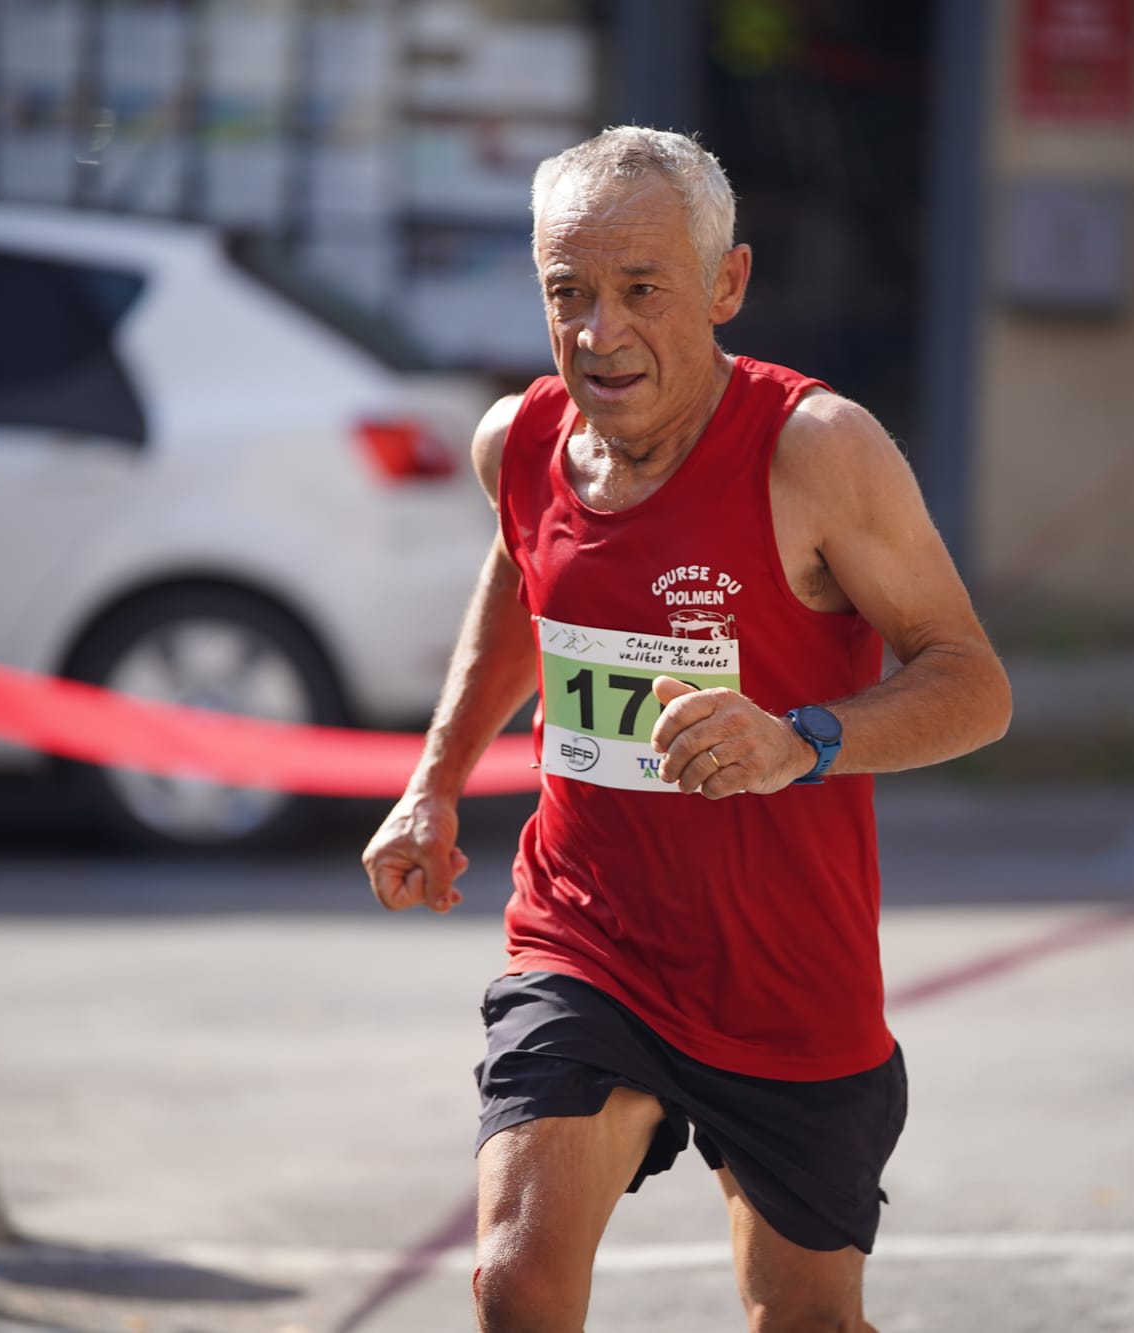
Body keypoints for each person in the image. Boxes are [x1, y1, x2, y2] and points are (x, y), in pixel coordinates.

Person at [362, 126, 1011, 1333]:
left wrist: (797, 739)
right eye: (569, 293)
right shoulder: (519, 443)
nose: (599, 332)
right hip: (587, 939)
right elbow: (525, 590)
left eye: (641, 291)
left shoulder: (816, 451)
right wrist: (433, 781)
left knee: (803, 1320)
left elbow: (972, 682)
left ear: (725, 285)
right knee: (514, 1283)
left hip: (784, 976)